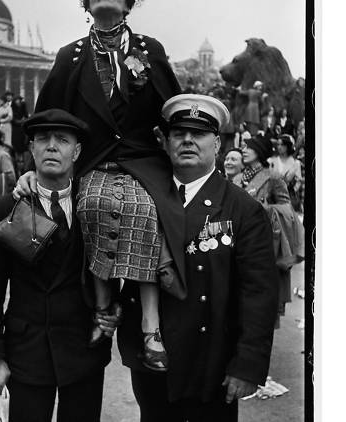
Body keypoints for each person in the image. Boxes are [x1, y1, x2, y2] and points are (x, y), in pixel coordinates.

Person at [19, 0, 184, 371]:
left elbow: (174, 111)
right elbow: (46, 119)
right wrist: (33, 169)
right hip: (93, 162)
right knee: (91, 204)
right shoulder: (70, 56)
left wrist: (194, 164)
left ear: (129, 3)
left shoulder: (149, 50)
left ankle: (150, 326)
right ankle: (103, 308)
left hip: (144, 162)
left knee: (148, 209)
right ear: (86, 4)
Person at [117, 94, 279, 422]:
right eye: (179, 133)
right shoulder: (141, 197)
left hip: (213, 365)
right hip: (153, 363)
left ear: (217, 144)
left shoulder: (242, 209)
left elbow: (259, 294)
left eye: (199, 134)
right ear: (166, 142)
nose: (188, 140)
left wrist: (248, 364)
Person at [0, 109, 121, 422]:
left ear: (77, 150)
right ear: (32, 148)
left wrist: (113, 309)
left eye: (62, 140)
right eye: (43, 139)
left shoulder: (97, 205)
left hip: (84, 350)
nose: (52, 146)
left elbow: (115, 265)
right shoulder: (6, 209)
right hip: (26, 352)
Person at [240, 136, 304, 325]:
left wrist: (265, 209)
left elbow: (288, 211)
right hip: (239, 244)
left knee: (260, 308)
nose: (243, 150)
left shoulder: (272, 177)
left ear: (259, 152)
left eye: (248, 147)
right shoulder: (238, 176)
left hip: (263, 245)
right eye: (243, 147)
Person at [269, 134, 302, 212]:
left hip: (289, 197)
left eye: (282, 145)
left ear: (288, 146)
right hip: (274, 198)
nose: (279, 147)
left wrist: (292, 190)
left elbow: (298, 181)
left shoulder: (295, 163)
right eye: (278, 144)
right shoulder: (272, 161)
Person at [10, 96, 31, 173]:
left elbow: (26, 117)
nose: (18, 102)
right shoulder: (12, 109)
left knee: (22, 152)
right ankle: (17, 168)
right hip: (15, 132)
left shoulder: (23, 107)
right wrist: (22, 121)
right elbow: (13, 120)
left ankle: (23, 168)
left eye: (19, 100)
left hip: (22, 132)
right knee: (16, 151)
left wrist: (22, 121)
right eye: (17, 100)